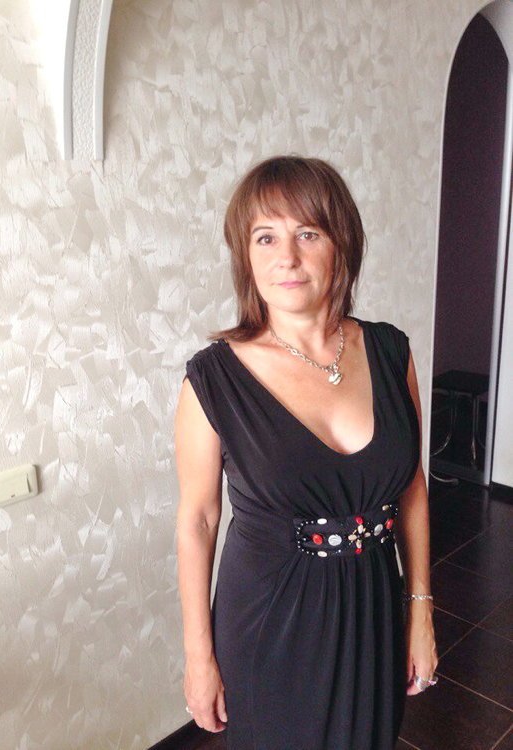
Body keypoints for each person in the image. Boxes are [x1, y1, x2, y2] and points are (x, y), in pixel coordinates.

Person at [174, 155, 438, 750]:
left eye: (308, 234)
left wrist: (420, 608)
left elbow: (412, 487)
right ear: (246, 256)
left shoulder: (390, 353)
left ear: (341, 244)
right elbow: (198, 520)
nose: (286, 257)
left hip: (373, 609)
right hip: (270, 621)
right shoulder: (213, 380)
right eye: (265, 237)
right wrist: (198, 657)